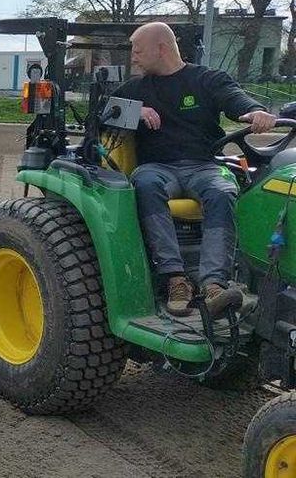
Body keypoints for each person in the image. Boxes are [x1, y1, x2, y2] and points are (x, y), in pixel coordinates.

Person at [112, 22, 277, 318]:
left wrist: (254, 111)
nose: (133, 57)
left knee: (223, 190)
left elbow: (235, 99)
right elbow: (100, 114)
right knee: (146, 185)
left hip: (203, 166)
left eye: (137, 51)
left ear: (161, 48)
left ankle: (214, 285)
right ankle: (175, 279)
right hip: (157, 168)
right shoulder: (135, 88)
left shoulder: (207, 79)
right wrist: (134, 111)